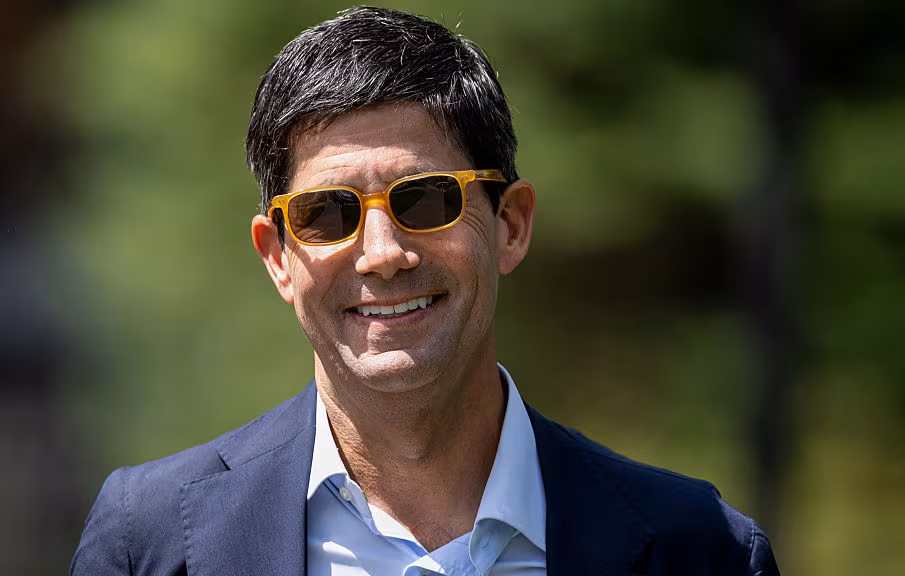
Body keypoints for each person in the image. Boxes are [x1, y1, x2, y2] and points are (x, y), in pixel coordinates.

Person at [71, 6, 779, 575]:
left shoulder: (704, 552)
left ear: (510, 224)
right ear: (277, 257)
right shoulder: (149, 540)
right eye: (327, 215)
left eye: (426, 200)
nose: (382, 255)